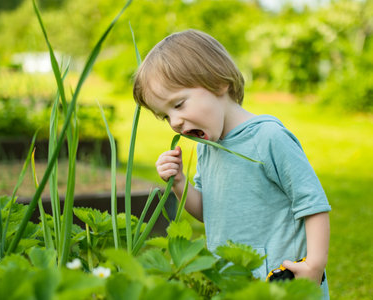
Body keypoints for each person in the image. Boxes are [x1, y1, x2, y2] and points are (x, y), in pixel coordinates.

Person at [133, 29, 331, 298]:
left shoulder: (268, 137)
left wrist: (314, 266)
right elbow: (208, 212)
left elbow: (313, 204)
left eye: (178, 105)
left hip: (281, 283)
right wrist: (179, 182)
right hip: (232, 280)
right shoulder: (208, 148)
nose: (175, 122)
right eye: (165, 116)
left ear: (218, 83)